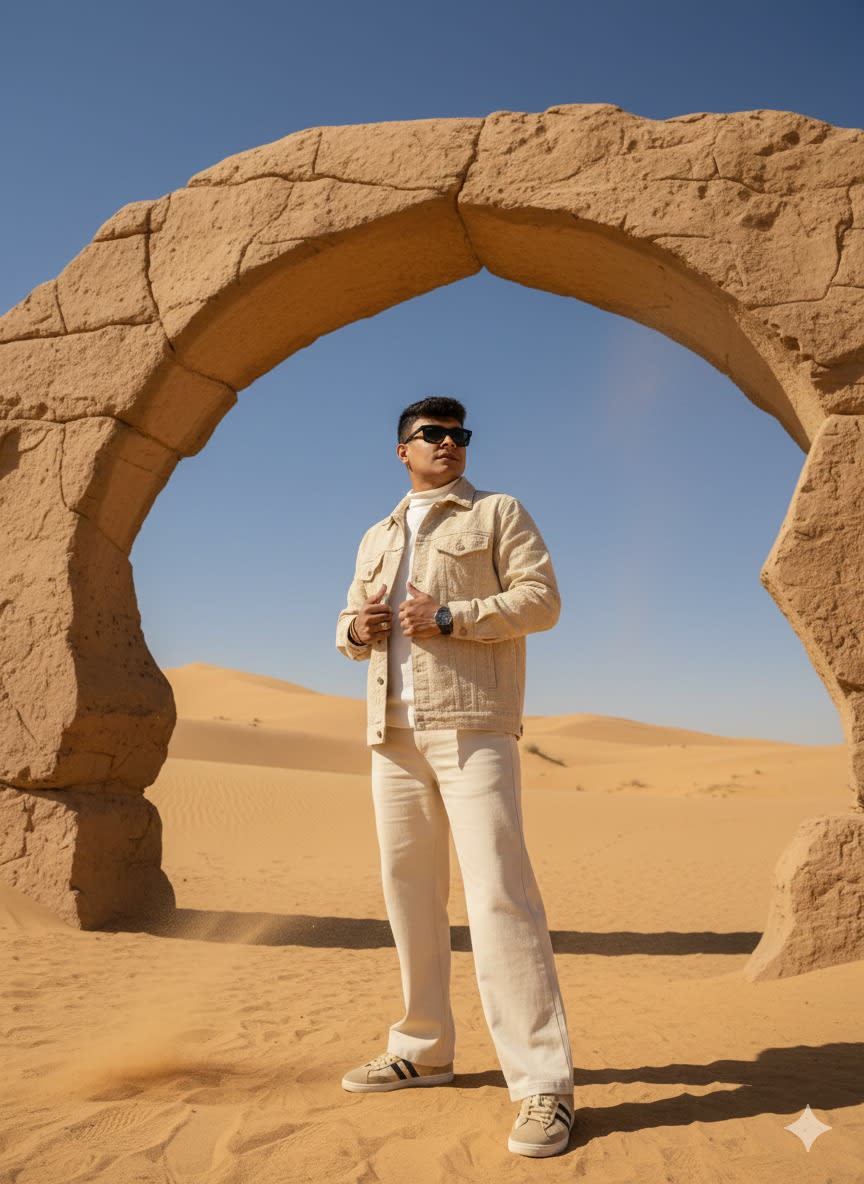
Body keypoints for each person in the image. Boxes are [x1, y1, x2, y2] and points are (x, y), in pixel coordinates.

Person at [335, 396, 575, 1158]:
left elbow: (542, 601)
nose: (450, 444)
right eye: (433, 435)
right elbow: (344, 629)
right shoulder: (376, 534)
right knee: (409, 893)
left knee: (500, 896)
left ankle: (543, 1088)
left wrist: (451, 618)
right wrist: (358, 629)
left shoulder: (497, 512)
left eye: (459, 435)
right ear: (400, 450)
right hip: (390, 736)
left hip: (471, 727)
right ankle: (424, 1048)